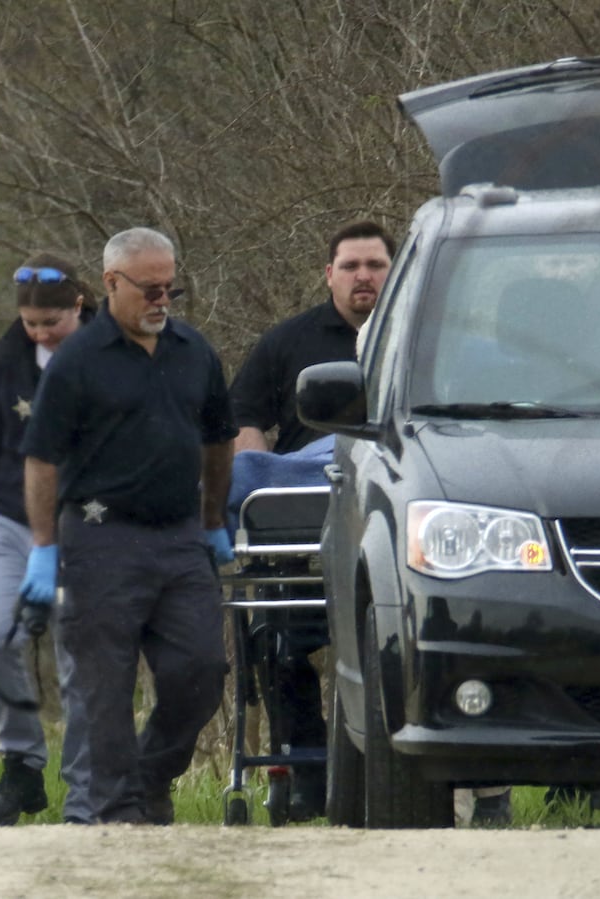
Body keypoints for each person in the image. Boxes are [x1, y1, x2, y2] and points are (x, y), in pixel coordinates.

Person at [18, 227, 236, 826]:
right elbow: (41, 459)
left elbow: (220, 438)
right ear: (112, 283)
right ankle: (115, 816)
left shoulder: (194, 352)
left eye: (171, 288)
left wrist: (214, 520)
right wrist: (44, 547)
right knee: (104, 688)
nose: (163, 300)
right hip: (99, 538)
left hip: (179, 537)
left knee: (202, 670)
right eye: (151, 289)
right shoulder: (76, 363)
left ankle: (152, 773)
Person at [228, 221, 393, 822]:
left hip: (389, 523)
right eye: (350, 266)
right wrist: (268, 504)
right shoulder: (287, 342)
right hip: (303, 526)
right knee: (283, 646)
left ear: (393, 273)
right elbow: (244, 425)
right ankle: (304, 770)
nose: (363, 277)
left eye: (375, 265)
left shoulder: (415, 338)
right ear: (329, 275)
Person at [0, 252, 96, 827]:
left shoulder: (106, 352)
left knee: (80, 652)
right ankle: (21, 765)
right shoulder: (11, 352)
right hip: (9, 517)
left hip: (87, 520)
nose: (40, 333)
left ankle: (88, 787)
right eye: (32, 324)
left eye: (52, 324)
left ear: (78, 308)